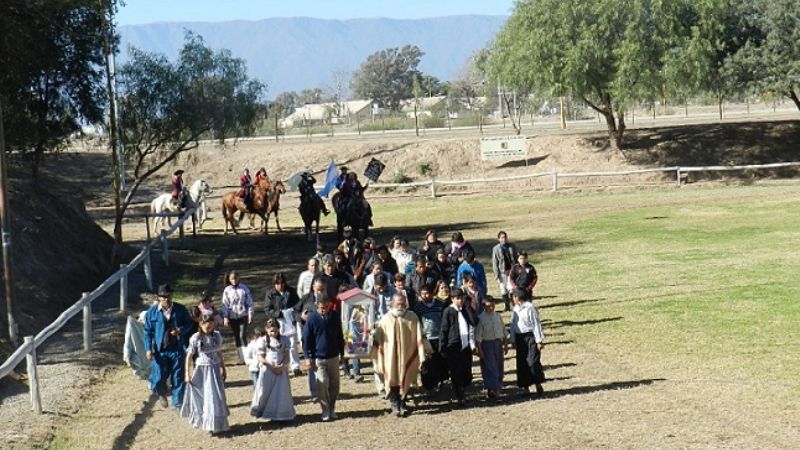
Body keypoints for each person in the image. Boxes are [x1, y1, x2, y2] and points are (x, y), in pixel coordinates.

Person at [372, 293, 426, 417]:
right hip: (390, 356)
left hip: (407, 354)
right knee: (392, 377)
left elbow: (419, 334)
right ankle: (395, 404)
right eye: (398, 304)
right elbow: (378, 337)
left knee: (406, 375)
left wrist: (423, 350)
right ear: (392, 304)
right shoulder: (385, 319)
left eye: (403, 303)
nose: (400, 306)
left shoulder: (412, 317)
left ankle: (403, 403)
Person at [143, 284, 193, 410]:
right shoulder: (152, 312)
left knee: (178, 377)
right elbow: (147, 332)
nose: (166, 298)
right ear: (159, 297)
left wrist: (180, 330)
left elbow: (189, 324)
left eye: (168, 296)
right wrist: (148, 349)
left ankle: (178, 403)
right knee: (159, 376)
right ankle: (161, 393)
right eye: (163, 296)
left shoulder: (180, 309)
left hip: (177, 349)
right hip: (160, 350)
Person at [180, 313, 229, 434]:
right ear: (201, 324)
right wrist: (187, 373)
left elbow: (219, 352)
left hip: (215, 369)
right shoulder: (196, 338)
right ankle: (207, 423)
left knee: (216, 396)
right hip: (202, 370)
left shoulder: (216, 336)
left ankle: (216, 424)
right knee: (206, 395)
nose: (209, 328)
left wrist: (223, 368)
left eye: (211, 326)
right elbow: (189, 356)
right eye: (207, 326)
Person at [302, 295, 345, 422]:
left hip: (333, 356)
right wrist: (307, 356)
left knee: (334, 385)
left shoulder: (335, 316)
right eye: (322, 308)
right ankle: (325, 409)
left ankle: (332, 408)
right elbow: (306, 339)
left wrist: (342, 353)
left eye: (326, 307)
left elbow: (339, 335)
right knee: (322, 383)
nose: (324, 310)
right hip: (318, 357)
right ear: (317, 306)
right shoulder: (312, 318)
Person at [251, 318, 297, 421]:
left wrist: (282, 366)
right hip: (268, 370)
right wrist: (272, 367)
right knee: (266, 391)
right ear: (266, 330)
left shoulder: (284, 339)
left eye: (276, 331)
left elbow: (286, 355)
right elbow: (261, 357)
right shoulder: (262, 341)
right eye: (271, 331)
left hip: (281, 370)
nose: (273, 333)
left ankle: (281, 414)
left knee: (280, 392)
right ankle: (266, 412)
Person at [439, 287, 477, 406]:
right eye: (458, 298)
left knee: (466, 370)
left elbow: (474, 322)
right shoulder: (448, 311)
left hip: (465, 344)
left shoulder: (465, 310)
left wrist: (468, 308)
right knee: (456, 371)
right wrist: (442, 346)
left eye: (462, 298)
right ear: (452, 299)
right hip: (454, 345)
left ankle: (464, 391)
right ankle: (460, 395)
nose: (460, 300)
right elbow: (444, 329)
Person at [509, 288, 545, 397]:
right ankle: (525, 386)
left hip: (530, 336)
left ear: (517, 297)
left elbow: (536, 324)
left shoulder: (530, 308)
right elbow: (513, 325)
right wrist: (513, 339)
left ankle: (538, 383)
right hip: (520, 338)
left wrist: (539, 340)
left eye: (514, 297)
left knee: (533, 361)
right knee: (522, 362)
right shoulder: (515, 309)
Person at [264, 273, 302, 376]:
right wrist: (279, 314)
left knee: (293, 345)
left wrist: (292, 312)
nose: (280, 286)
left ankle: (295, 367)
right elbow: (267, 309)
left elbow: (298, 304)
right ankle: (281, 366)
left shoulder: (291, 292)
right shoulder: (270, 294)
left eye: (282, 283)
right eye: (277, 283)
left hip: (290, 321)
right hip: (277, 322)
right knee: (279, 345)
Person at [413, 284, 448, 395]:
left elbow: (445, 320)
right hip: (426, 339)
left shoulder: (440, 304)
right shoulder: (418, 307)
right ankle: (429, 386)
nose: (425, 296)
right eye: (423, 294)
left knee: (441, 361)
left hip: (439, 337)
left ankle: (442, 381)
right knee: (427, 363)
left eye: (427, 293)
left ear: (432, 294)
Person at [475, 297, 508, 400]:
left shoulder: (498, 316)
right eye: (489, 306)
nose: (491, 308)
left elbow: (503, 331)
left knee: (499, 365)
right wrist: (480, 349)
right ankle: (493, 389)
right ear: (484, 306)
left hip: (497, 343)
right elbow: (478, 337)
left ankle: (497, 386)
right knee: (490, 366)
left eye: (493, 306)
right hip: (486, 344)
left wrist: (505, 344)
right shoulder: (481, 319)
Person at [221, 270, 254, 364]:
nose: (234, 280)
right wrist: (225, 317)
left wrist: (250, 314)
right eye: (232, 279)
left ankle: (247, 357)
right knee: (236, 336)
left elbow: (250, 302)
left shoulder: (244, 288)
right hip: (232, 316)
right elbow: (225, 304)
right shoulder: (227, 290)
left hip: (243, 315)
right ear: (229, 279)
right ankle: (241, 358)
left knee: (242, 335)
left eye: (235, 278)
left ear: (239, 278)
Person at [491, 231, 519, 311]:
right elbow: (495, 262)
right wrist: (496, 274)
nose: (504, 239)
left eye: (505, 237)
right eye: (502, 237)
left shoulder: (512, 246)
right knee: (503, 289)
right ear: (499, 239)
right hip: (502, 272)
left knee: (511, 288)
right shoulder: (496, 249)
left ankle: (513, 304)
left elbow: (516, 258)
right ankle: (506, 305)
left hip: (511, 271)